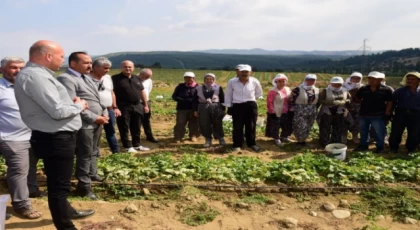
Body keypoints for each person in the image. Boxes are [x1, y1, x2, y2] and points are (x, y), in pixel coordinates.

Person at [14, 40, 94, 230]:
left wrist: (71, 103)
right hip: (56, 138)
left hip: (54, 136)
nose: (62, 59)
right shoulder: (36, 77)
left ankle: (67, 211)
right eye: (61, 56)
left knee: (58, 182)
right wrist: (79, 105)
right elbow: (57, 111)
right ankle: (66, 226)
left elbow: (53, 105)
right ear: (48, 56)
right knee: (59, 188)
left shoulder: (38, 75)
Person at [58, 52, 109, 200]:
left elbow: (97, 99)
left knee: (93, 150)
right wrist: (95, 117)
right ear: (73, 63)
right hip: (84, 123)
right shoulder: (66, 79)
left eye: (90, 62)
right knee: (84, 154)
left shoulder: (86, 78)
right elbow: (71, 105)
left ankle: (92, 174)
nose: (90, 65)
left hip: (97, 121)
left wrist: (103, 113)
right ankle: (83, 186)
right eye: (86, 62)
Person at [0, 57, 43, 219]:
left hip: (32, 136)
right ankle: (22, 205)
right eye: (13, 67)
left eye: (21, 67)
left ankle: (25, 195)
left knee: (24, 170)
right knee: (19, 170)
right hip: (11, 137)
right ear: (2, 70)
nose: (18, 71)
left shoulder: (29, 88)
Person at [112, 60, 150, 153]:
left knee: (137, 126)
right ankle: (127, 146)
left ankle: (136, 144)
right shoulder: (115, 78)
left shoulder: (136, 78)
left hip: (137, 105)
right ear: (121, 68)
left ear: (133, 68)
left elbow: (142, 92)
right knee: (124, 126)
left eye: (130, 67)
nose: (128, 68)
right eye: (125, 67)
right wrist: (115, 107)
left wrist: (145, 105)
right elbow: (112, 93)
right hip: (123, 106)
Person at [224, 65, 263, 152]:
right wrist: (229, 106)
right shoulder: (232, 82)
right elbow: (228, 95)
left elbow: (258, 93)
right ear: (239, 72)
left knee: (251, 126)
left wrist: (251, 100)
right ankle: (237, 145)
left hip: (250, 105)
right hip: (237, 106)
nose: (244, 74)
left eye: (246, 72)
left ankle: (251, 144)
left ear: (250, 72)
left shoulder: (254, 81)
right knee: (237, 126)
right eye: (243, 72)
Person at [354, 71, 393, 153]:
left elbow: (390, 102)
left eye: (373, 79)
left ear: (380, 80)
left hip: (378, 115)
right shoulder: (363, 89)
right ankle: (363, 145)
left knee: (379, 132)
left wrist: (387, 112)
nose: (371, 80)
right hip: (364, 114)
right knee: (363, 131)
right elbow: (357, 98)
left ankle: (380, 147)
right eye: (369, 78)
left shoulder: (386, 89)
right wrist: (365, 103)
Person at [89, 57, 121, 154]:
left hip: (109, 109)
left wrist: (115, 107)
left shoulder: (108, 78)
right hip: (94, 110)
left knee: (111, 131)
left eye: (108, 68)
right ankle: (95, 154)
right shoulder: (86, 78)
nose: (107, 70)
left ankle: (116, 152)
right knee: (94, 133)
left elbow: (111, 93)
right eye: (105, 68)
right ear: (95, 67)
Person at [389, 72, 420, 154]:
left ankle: (411, 149)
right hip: (401, 113)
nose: (410, 81)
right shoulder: (400, 91)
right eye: (408, 79)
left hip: (416, 115)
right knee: (396, 132)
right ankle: (393, 148)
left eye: (413, 79)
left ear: (418, 81)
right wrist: (390, 113)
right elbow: (393, 102)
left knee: (414, 132)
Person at [317, 76, 352, 147]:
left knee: (338, 127)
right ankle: (324, 142)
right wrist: (332, 102)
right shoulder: (325, 91)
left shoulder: (345, 90)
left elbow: (350, 99)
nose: (337, 85)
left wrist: (344, 101)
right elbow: (320, 100)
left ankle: (336, 141)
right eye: (335, 84)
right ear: (331, 83)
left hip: (340, 111)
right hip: (327, 111)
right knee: (325, 127)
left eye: (339, 84)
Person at [193, 73, 226, 147]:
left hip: (216, 106)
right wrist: (195, 110)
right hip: (202, 107)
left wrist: (223, 109)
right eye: (207, 79)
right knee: (204, 123)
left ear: (214, 80)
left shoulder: (218, 87)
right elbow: (194, 100)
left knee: (217, 123)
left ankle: (220, 138)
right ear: (204, 80)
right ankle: (208, 139)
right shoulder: (198, 88)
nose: (209, 80)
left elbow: (222, 99)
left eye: (211, 79)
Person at [289, 74, 320, 147]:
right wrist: (292, 108)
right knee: (300, 125)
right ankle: (299, 141)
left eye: (313, 80)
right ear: (305, 80)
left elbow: (318, 101)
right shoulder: (298, 89)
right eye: (309, 80)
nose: (311, 81)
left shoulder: (316, 90)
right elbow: (291, 99)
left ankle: (304, 141)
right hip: (300, 110)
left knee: (308, 125)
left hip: (312, 110)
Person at [265, 73, 293, 147]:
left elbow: (290, 99)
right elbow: (269, 102)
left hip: (286, 111)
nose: (282, 83)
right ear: (276, 82)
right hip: (276, 111)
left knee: (285, 125)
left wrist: (291, 108)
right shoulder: (272, 91)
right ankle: (276, 138)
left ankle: (284, 137)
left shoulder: (287, 89)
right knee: (275, 125)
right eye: (279, 81)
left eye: (283, 81)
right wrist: (272, 111)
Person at [172, 72, 200, 143]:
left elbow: (200, 97)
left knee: (194, 123)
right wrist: (182, 100)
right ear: (184, 79)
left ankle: (193, 136)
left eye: (190, 78)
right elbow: (174, 96)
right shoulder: (180, 87)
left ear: (194, 78)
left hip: (194, 109)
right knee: (180, 123)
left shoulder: (198, 87)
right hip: (182, 108)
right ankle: (178, 137)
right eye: (186, 78)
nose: (188, 79)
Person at [138, 68, 158, 143]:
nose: (148, 78)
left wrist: (146, 102)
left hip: (146, 102)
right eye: (147, 76)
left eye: (149, 76)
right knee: (137, 121)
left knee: (146, 120)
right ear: (141, 74)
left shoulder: (149, 81)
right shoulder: (134, 79)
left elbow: (149, 90)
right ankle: (136, 137)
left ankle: (149, 136)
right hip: (137, 103)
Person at [343, 72, 363, 144]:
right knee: (345, 121)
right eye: (354, 78)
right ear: (351, 78)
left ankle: (355, 136)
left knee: (356, 121)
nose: (356, 79)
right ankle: (344, 136)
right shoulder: (344, 86)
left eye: (358, 78)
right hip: (346, 106)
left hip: (358, 107)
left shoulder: (362, 87)